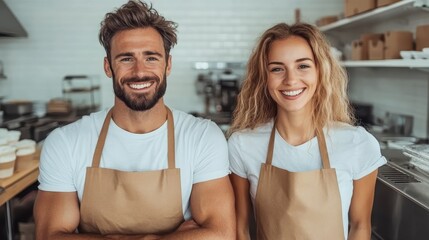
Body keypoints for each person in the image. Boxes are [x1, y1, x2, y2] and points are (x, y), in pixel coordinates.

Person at [34, 1, 235, 239]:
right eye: (126, 59)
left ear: (167, 65)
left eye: (151, 58)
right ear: (108, 67)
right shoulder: (65, 142)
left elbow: (220, 233)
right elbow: (50, 235)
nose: (140, 71)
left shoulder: (202, 137)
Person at [228, 22, 386, 240]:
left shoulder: (357, 143)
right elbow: (240, 229)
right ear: (264, 78)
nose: (291, 80)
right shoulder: (243, 145)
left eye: (302, 66)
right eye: (277, 68)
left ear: (320, 71)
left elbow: (360, 226)